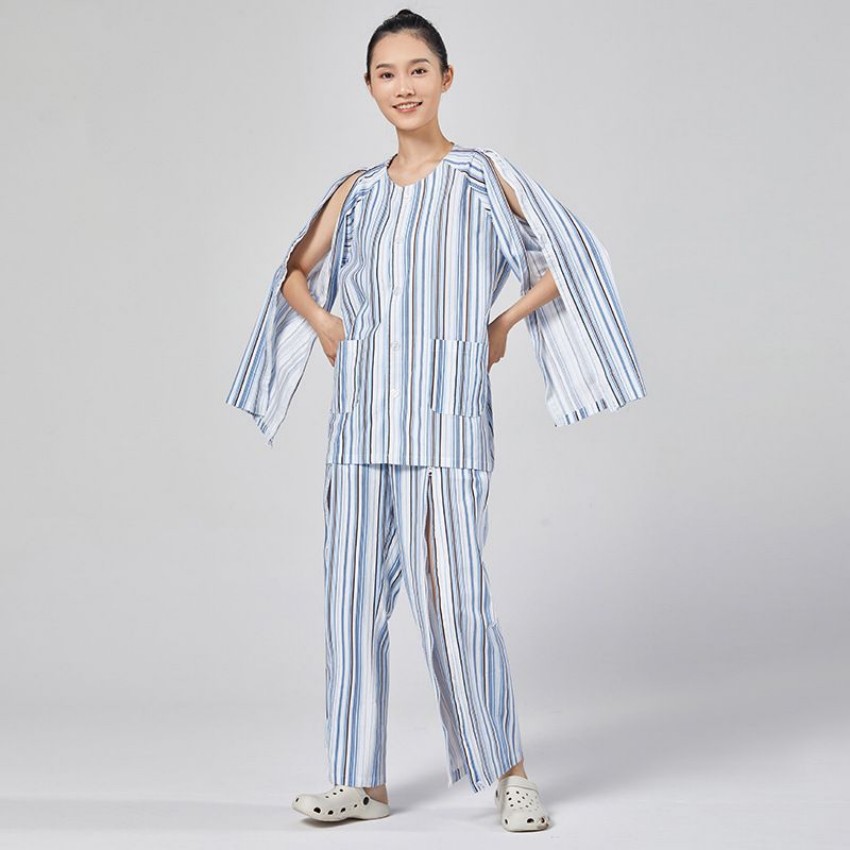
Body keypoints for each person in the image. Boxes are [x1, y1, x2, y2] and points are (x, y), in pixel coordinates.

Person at [225, 8, 647, 833]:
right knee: (350, 601)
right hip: (360, 421)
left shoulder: (483, 176)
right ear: (369, 87)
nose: (403, 86)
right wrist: (326, 325)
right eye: (387, 73)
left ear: (445, 78)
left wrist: (503, 322)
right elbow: (294, 272)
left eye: (417, 70)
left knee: (455, 601)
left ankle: (511, 774)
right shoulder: (356, 191)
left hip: (447, 419)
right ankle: (360, 779)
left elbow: (572, 254)